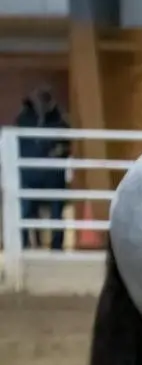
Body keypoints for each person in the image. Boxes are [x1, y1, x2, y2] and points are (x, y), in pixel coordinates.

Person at [16, 88, 70, 251]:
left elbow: (65, 146)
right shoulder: (25, 120)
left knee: (52, 212)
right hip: (33, 175)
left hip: (44, 175)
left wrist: (58, 152)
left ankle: (53, 246)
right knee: (27, 212)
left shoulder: (26, 120)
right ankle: (26, 245)